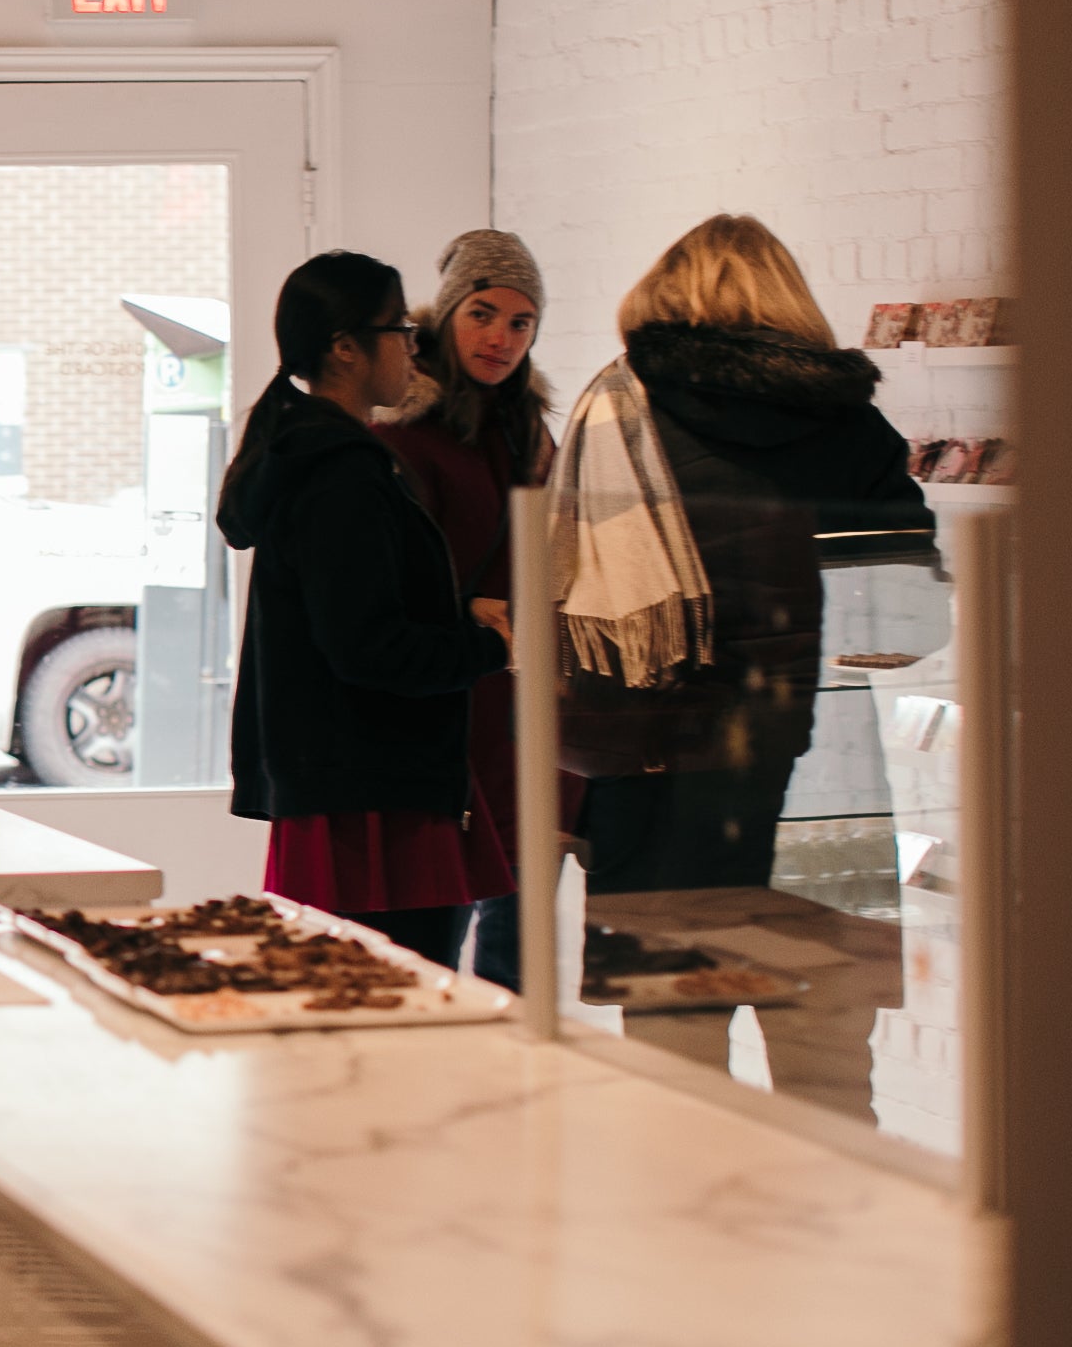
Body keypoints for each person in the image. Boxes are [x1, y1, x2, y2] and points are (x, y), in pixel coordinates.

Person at [553, 214, 932, 893]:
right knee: (821, 977)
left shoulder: (624, 410)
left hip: (657, 747)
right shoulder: (855, 426)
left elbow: (568, 585)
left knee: (671, 986)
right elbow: (914, 607)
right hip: (817, 756)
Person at [219, 252, 514, 967]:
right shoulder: (340, 474)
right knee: (393, 1022)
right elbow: (367, 647)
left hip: (352, 786)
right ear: (347, 347)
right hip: (373, 803)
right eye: (399, 328)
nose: (414, 345)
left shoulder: (322, 457)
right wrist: (487, 646)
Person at [373, 230, 555, 987]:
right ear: (447, 315)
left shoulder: (526, 431)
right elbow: (385, 578)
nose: (499, 338)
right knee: (428, 944)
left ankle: (511, 1095)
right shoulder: (407, 432)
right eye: (482, 314)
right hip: (440, 702)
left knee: (515, 944)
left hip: (517, 703)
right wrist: (463, 610)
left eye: (520, 323)